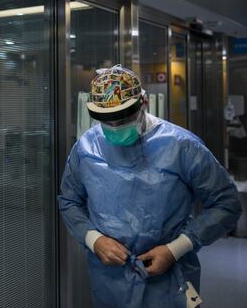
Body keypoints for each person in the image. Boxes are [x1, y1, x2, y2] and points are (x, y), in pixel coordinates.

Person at [58, 65, 242, 308]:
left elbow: (226, 203)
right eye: (106, 121)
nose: (115, 127)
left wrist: (175, 249)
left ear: (143, 102)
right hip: (109, 278)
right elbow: (69, 200)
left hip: (169, 276)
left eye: (123, 118)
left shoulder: (181, 146)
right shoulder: (87, 148)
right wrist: (94, 239)